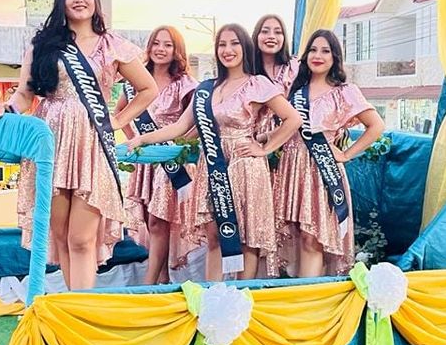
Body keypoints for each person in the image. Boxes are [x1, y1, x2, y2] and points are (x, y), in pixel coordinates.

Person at [0, 0, 157, 291]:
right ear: (61, 1)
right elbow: (25, 93)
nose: (78, 0)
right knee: (62, 235)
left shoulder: (112, 45)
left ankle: (83, 307)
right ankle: (73, 303)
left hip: (92, 144)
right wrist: (8, 108)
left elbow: (147, 89)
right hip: (51, 140)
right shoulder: (44, 44)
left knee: (81, 238)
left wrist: (117, 121)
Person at [126, 24, 302, 281]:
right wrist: (142, 139)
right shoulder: (207, 88)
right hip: (212, 166)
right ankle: (213, 296)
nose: (228, 50)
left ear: (245, 47)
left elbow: (293, 119)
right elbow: (180, 127)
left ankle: (243, 297)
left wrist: (264, 147)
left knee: (247, 238)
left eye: (234, 43)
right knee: (215, 236)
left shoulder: (257, 83)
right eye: (222, 45)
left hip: (245, 166)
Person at [274, 29, 384, 278]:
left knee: (313, 239)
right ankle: (300, 289)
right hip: (293, 168)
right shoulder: (295, 90)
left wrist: (346, 154)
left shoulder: (344, 91)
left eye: (325, 51)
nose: (318, 55)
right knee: (297, 235)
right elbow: (287, 129)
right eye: (313, 50)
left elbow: (376, 126)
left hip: (321, 172)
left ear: (335, 57)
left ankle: (309, 296)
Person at [117, 25, 199, 284]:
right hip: (146, 161)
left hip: (171, 162)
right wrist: (134, 139)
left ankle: (149, 282)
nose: (161, 49)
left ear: (177, 50)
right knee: (149, 220)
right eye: (156, 43)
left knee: (158, 220)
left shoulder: (185, 85)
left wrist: (180, 145)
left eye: (168, 44)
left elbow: (196, 123)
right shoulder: (135, 82)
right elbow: (120, 114)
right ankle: (162, 278)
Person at [252, 15, 299, 146]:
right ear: (256, 36)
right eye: (265, 31)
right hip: (253, 143)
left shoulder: (294, 68)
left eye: (278, 32)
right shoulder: (245, 70)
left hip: (288, 141)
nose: (271, 36)